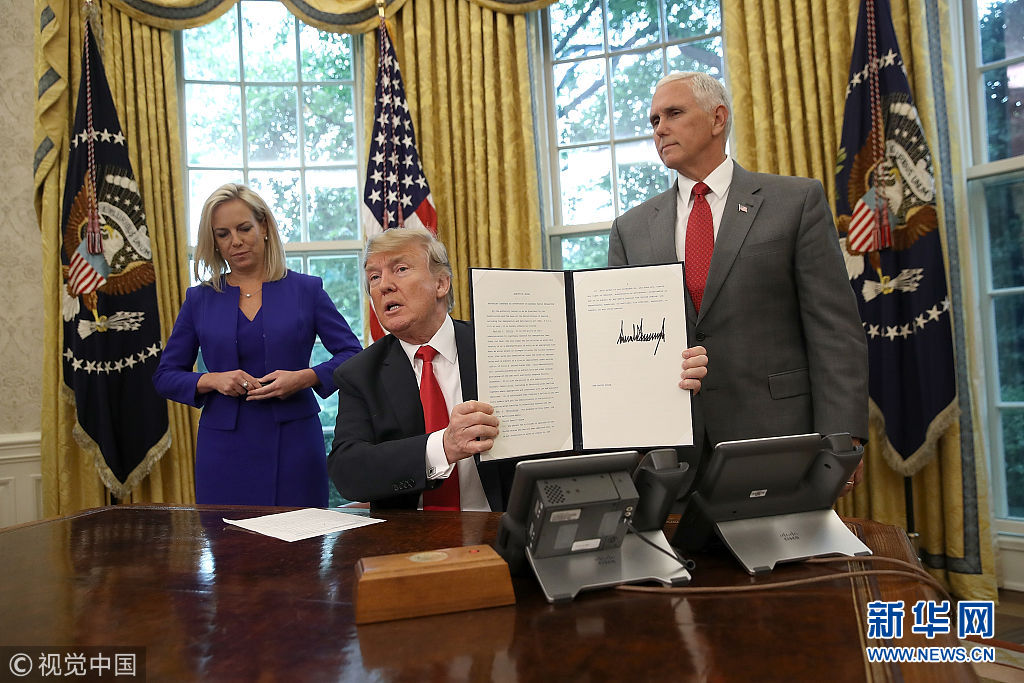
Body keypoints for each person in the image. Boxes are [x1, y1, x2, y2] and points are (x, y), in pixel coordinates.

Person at [608, 72, 869, 493]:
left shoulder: (795, 202)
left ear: (718, 119)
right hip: (671, 457)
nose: (660, 129)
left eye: (673, 114)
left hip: (778, 440)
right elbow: (621, 348)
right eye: (654, 120)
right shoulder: (630, 229)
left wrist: (844, 436)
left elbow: (834, 329)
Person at [328, 226, 711, 511]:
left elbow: (582, 431)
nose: (383, 285)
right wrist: (442, 447)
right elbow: (347, 472)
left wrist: (662, 385)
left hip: (508, 531)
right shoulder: (359, 374)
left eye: (400, 269)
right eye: (374, 276)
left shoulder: (511, 347)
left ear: (442, 283)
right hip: (408, 546)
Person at [153, 183, 362, 506]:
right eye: (223, 234)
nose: (235, 241)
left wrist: (304, 377)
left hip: (295, 439)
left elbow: (352, 355)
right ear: (214, 242)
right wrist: (212, 380)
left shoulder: (306, 290)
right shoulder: (200, 299)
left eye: (244, 228)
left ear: (263, 227)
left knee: (302, 534)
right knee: (227, 537)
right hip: (223, 447)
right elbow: (165, 375)